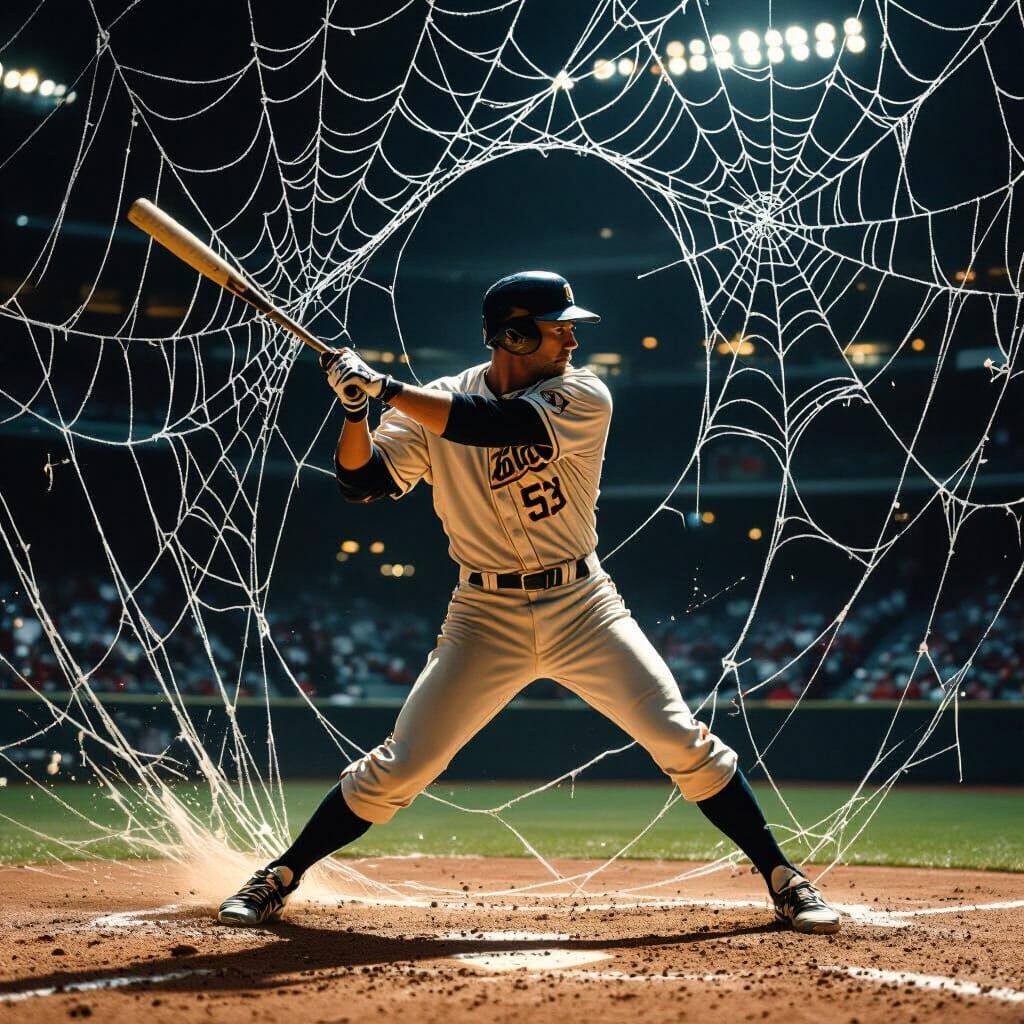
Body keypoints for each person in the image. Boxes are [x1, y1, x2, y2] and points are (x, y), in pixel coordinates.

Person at [217, 271, 840, 935]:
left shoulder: (583, 393)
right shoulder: (433, 402)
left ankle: (784, 878)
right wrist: (353, 410)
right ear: (514, 335)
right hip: (483, 616)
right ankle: (279, 875)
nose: (572, 338)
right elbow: (361, 483)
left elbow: (494, 426)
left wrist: (385, 388)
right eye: (557, 327)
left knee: (680, 740)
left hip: (583, 606)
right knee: (402, 766)